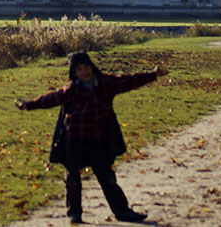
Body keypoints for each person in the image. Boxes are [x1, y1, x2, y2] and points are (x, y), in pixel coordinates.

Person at [15, 51, 167, 224]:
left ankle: (122, 211)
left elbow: (129, 80)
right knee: (72, 180)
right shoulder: (72, 90)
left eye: (86, 67)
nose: (84, 71)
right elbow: (51, 98)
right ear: (74, 72)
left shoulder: (106, 83)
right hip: (74, 140)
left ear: (91, 67)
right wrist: (29, 105)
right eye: (79, 69)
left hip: (98, 141)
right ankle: (74, 213)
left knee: (107, 178)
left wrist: (153, 74)